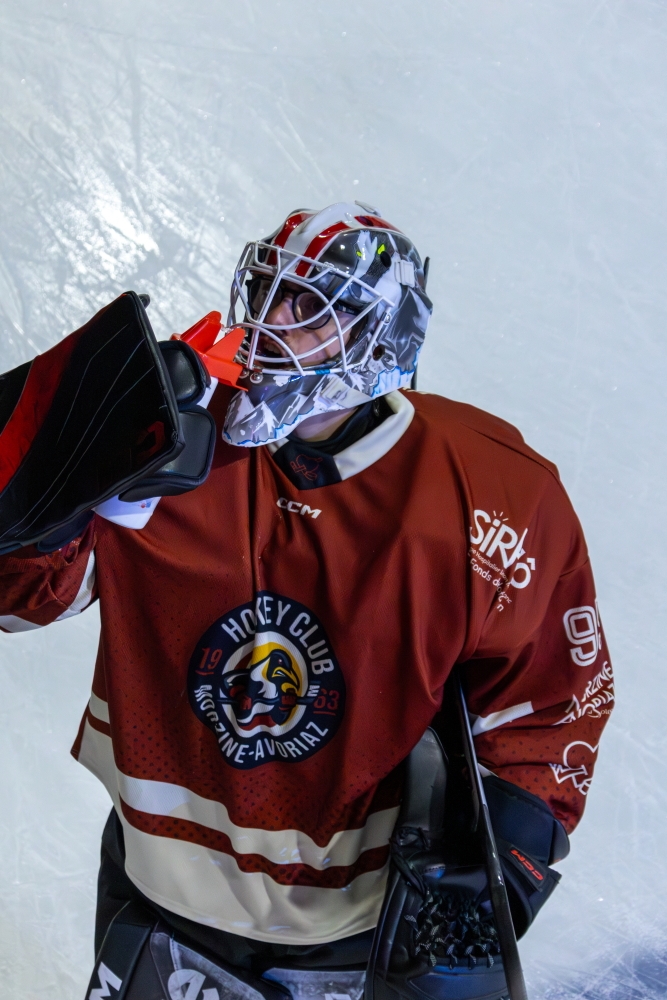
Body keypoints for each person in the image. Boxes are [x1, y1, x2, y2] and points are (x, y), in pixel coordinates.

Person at [0, 202, 613, 999]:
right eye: (267, 292)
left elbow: (550, 699)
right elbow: (22, 604)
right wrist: (70, 480)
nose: (268, 323)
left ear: (380, 334)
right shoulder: (169, 438)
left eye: (309, 306)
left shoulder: (492, 492)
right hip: (158, 884)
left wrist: (514, 846)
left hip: (350, 921)